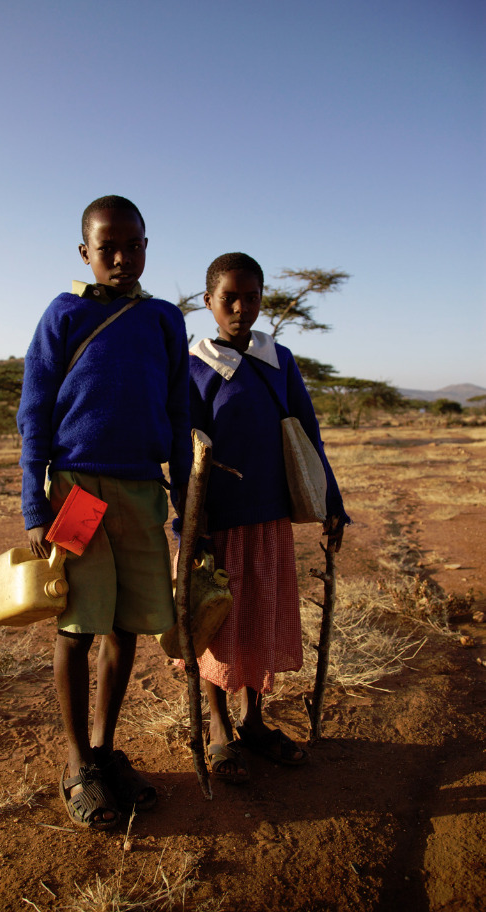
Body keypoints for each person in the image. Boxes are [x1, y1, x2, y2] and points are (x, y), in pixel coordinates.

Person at [17, 195, 191, 829]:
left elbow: (178, 412)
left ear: (148, 246)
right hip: (77, 493)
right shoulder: (62, 314)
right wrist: (35, 505)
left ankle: (103, 750)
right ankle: (75, 763)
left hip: (143, 490)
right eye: (107, 246)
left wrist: (183, 488)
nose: (121, 257)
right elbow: (33, 412)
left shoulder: (167, 321)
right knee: (77, 625)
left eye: (134, 245)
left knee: (127, 628)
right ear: (84, 252)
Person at [187, 252, 348, 784]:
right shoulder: (191, 365)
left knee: (258, 619)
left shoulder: (278, 360)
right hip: (216, 521)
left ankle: (253, 722)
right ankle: (217, 729)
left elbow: (308, 432)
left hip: (269, 518)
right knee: (213, 619)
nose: (240, 307)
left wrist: (333, 501)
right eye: (228, 297)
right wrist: (186, 525)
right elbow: (181, 448)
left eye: (251, 297)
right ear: (208, 301)